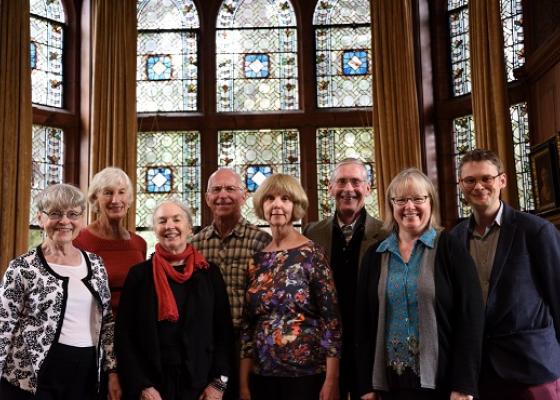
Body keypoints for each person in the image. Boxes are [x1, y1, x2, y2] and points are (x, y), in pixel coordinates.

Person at [356, 168, 484, 400]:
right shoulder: (374, 256)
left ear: (430, 202)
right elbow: (362, 325)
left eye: (418, 198)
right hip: (388, 384)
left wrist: (464, 385)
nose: (409, 206)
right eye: (401, 200)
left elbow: (470, 319)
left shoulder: (451, 248)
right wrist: (365, 385)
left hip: (443, 383)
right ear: (391, 205)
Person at [451, 149, 560, 400]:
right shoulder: (454, 239)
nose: (479, 186)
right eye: (470, 180)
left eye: (486, 178)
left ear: (502, 180)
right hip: (481, 374)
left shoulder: (536, 231)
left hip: (533, 367)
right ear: (461, 185)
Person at [0, 183, 117, 399]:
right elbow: (3, 324)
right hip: (34, 375)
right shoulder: (22, 267)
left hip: (87, 371)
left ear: (82, 219)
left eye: (73, 214)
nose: (64, 221)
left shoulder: (96, 264)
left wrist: (112, 370)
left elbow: (107, 322)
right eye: (55, 213)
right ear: (40, 218)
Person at [116, 199, 233, 400]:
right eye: (162, 221)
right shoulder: (139, 275)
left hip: (202, 385)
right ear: (155, 229)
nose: (169, 226)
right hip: (153, 386)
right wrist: (142, 385)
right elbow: (124, 337)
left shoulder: (209, 273)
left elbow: (224, 333)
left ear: (189, 228)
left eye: (177, 220)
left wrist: (218, 384)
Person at [239, 174, 342, 400]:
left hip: (306, 377)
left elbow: (331, 321)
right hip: (261, 377)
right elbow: (247, 326)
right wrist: (243, 383)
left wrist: (332, 380)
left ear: (295, 206)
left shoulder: (312, 254)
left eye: (285, 199)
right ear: (262, 206)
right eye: (270, 198)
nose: (277, 204)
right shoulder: (256, 261)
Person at [304, 158, 384, 400]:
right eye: (341, 182)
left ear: (368, 188)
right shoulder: (312, 233)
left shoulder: (386, 234)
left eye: (356, 182)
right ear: (330, 188)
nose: (348, 189)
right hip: (323, 349)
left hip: (369, 347)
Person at [190, 168, 271, 399]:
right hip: (208, 346)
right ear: (207, 198)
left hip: (249, 346)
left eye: (230, 189)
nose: (222, 195)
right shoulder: (195, 246)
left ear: (243, 195)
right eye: (216, 190)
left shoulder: (262, 242)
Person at [74, 166, 147, 316]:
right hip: (94, 325)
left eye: (122, 192)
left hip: (134, 326)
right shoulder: (79, 241)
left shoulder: (139, 243)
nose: (115, 200)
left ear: (129, 199)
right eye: (108, 193)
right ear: (95, 199)